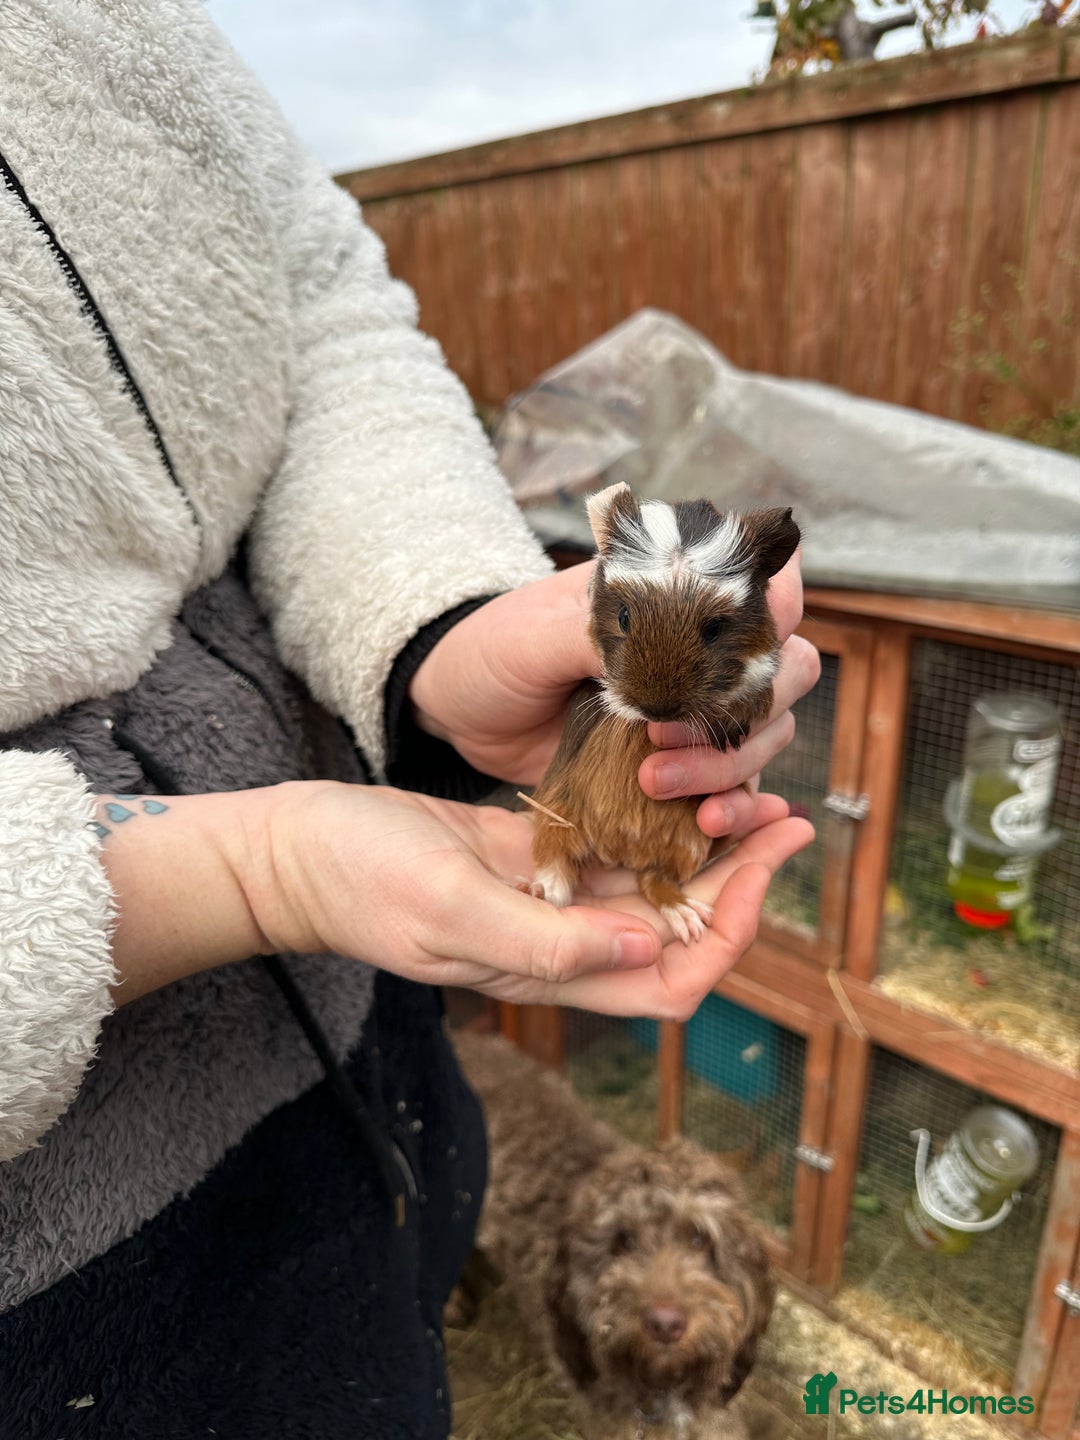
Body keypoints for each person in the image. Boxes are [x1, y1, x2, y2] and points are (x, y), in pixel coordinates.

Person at [0, 2, 818, 1436]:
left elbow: (322, 318)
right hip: (70, 1285)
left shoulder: (149, 32)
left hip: (374, 1057)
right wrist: (258, 870)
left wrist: (435, 631)